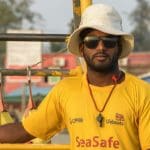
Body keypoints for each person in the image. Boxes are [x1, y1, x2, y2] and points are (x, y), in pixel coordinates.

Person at [0, 3, 150, 150]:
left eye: (109, 42)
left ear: (119, 47)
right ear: (81, 48)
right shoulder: (65, 90)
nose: (101, 47)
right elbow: (25, 131)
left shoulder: (142, 93)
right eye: (92, 42)